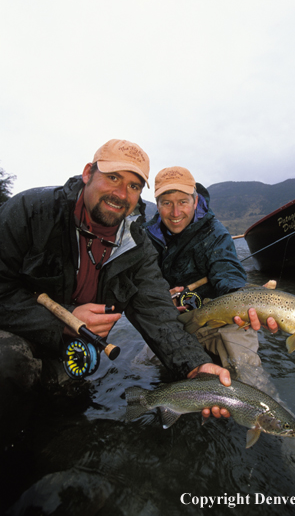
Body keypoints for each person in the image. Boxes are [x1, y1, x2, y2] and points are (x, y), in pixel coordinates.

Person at [0, 140, 232, 434]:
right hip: (15, 335)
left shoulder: (137, 247)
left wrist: (196, 366)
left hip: (72, 354)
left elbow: (159, 314)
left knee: (62, 421)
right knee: (7, 366)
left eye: (134, 186)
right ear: (87, 173)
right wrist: (61, 321)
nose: (121, 194)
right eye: (113, 178)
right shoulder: (29, 212)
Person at [144, 166, 278, 391]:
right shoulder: (148, 237)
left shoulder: (216, 233)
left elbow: (228, 270)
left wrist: (239, 297)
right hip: (174, 321)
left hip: (224, 318)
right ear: (157, 205)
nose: (176, 212)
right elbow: (143, 283)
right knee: (144, 368)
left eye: (183, 202)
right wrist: (159, 299)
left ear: (195, 201)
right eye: (167, 203)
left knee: (251, 380)